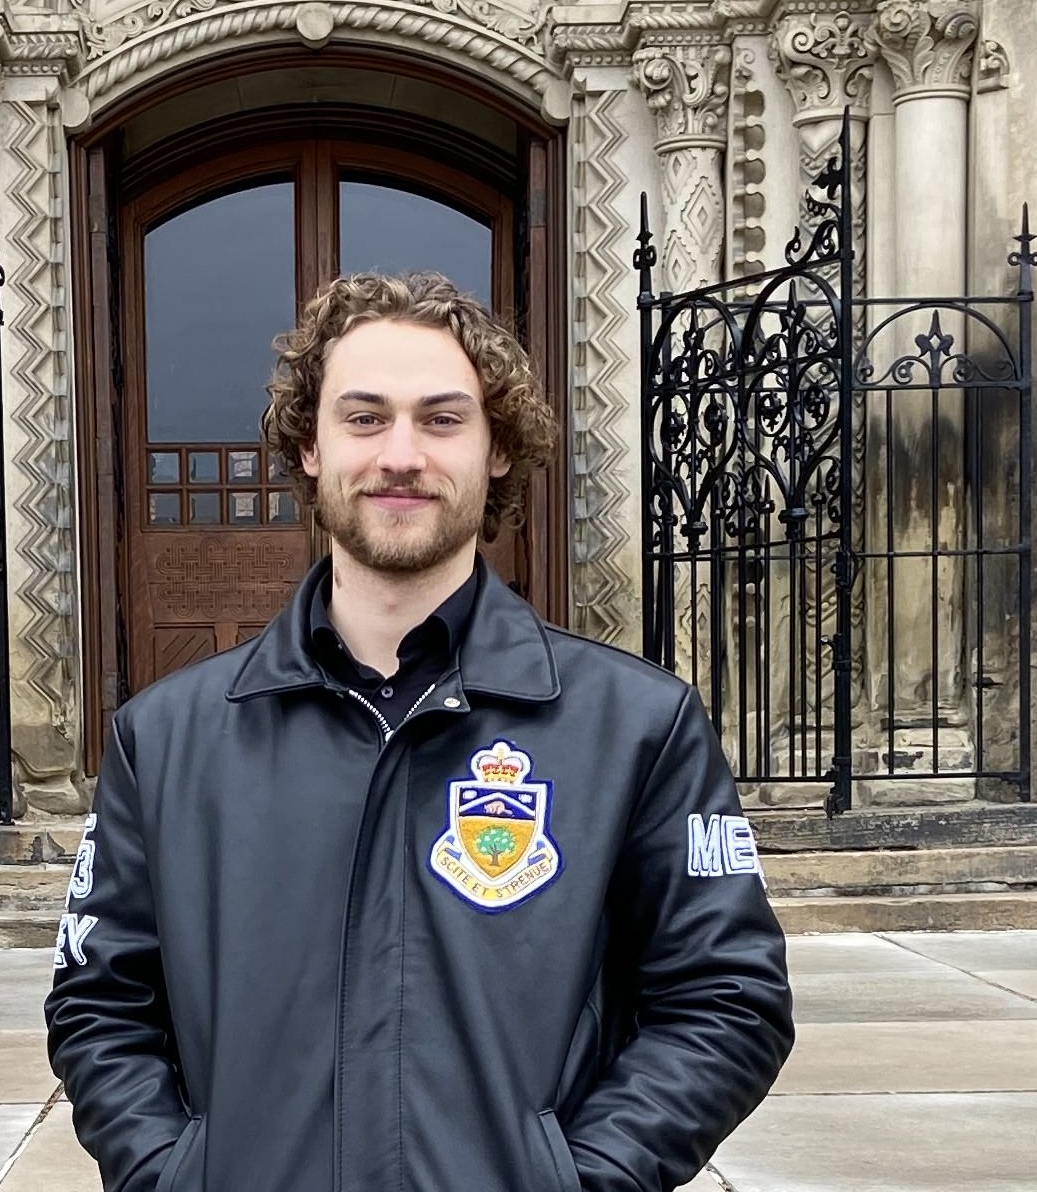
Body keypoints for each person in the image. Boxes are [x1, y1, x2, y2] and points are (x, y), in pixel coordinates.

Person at [45, 272, 793, 1192]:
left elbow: (727, 998)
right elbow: (99, 1003)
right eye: (364, 418)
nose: (400, 455)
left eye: (442, 419)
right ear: (310, 446)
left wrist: (581, 1180)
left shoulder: (637, 727)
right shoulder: (164, 741)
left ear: (498, 448)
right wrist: (174, 1175)